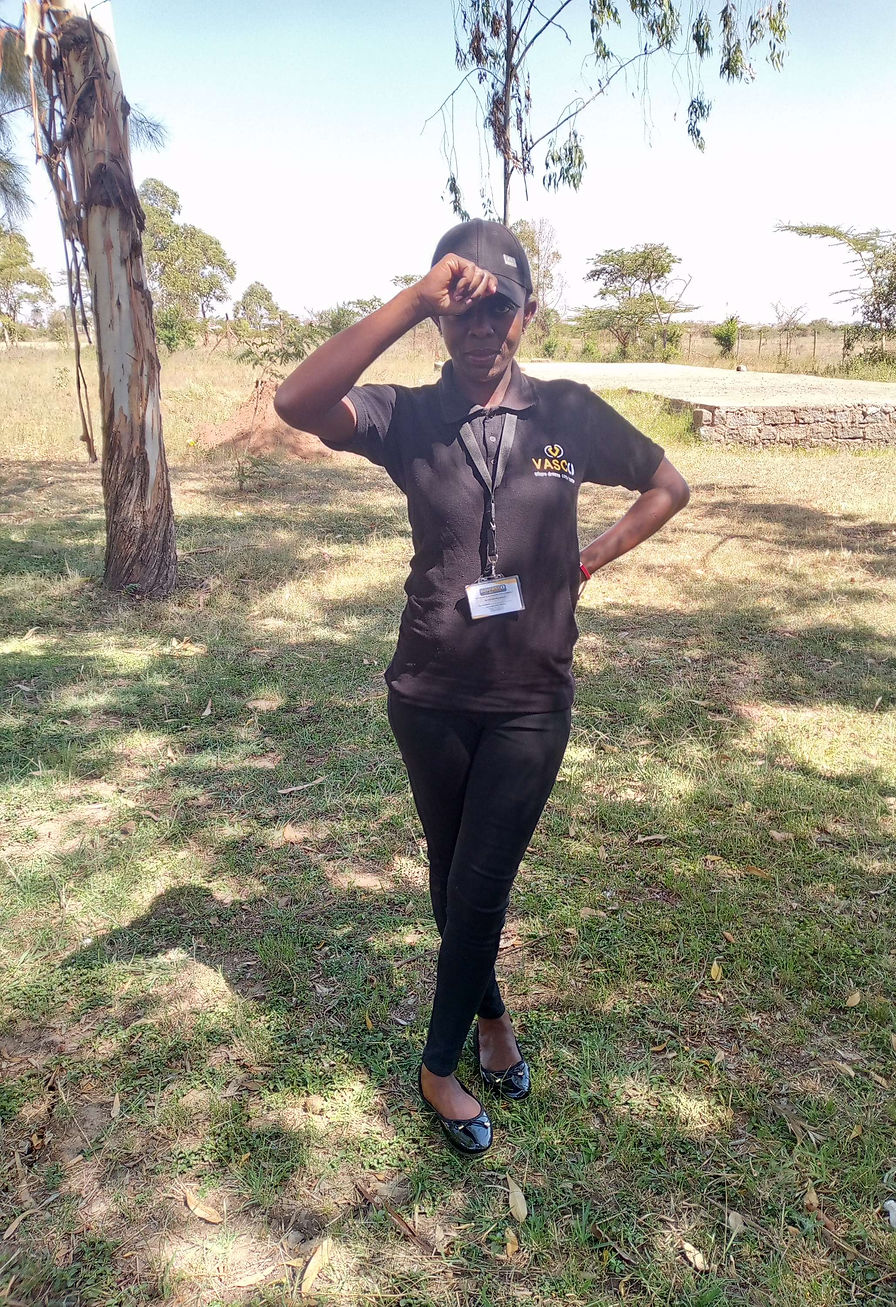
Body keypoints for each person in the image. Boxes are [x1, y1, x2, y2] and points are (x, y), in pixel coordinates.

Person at [274, 220, 690, 1156]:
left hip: (532, 698)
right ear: (438, 316)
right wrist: (414, 296)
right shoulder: (409, 417)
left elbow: (669, 486)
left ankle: (437, 1062)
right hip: (428, 693)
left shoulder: (569, 414)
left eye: (497, 308)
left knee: (482, 880)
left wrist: (587, 559)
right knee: (454, 869)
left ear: (526, 314)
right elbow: (299, 401)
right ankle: (491, 1017)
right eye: (459, 309)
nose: (480, 327)